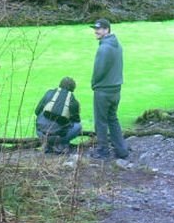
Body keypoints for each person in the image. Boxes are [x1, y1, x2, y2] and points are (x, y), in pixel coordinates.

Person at [89, 18, 129, 160]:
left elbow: (99, 71)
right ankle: (122, 150)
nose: (95, 31)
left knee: (100, 121)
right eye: (95, 28)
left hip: (103, 90)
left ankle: (103, 151)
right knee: (113, 118)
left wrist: (93, 84)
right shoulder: (117, 45)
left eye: (98, 29)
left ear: (107, 30)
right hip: (116, 89)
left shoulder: (104, 48)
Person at [35, 77, 82, 154]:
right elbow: (76, 120)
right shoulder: (74, 102)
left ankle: (47, 144)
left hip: (40, 133)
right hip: (58, 137)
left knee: (41, 115)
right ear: (73, 89)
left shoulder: (49, 93)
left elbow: (37, 112)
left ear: (60, 85)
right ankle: (61, 144)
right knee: (78, 126)